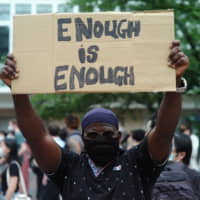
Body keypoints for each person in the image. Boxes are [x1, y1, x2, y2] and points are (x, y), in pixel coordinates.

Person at [0, 40, 189, 199]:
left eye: (107, 133)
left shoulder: (138, 163)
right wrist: (18, 93)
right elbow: (37, 138)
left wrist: (174, 86)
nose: (100, 138)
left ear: (118, 135)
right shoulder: (68, 166)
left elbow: (164, 132)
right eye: (93, 134)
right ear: (83, 136)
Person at [153, 133, 200, 200]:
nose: (162, 152)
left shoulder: (195, 177)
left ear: (181, 155)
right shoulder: (159, 172)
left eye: (168, 149)